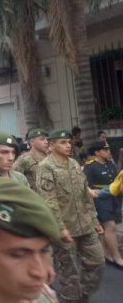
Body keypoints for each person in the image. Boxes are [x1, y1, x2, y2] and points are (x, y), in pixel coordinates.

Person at [36, 129, 105, 303]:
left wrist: (94, 219)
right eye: (63, 142)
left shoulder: (74, 164)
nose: (68, 146)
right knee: (70, 270)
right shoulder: (46, 167)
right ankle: (72, 299)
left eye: (69, 142)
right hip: (65, 227)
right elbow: (49, 201)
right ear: (51, 145)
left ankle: (83, 293)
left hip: (85, 223)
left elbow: (84, 194)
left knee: (98, 262)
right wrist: (60, 228)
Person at [84, 140, 123, 268]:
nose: (108, 152)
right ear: (97, 152)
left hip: (113, 198)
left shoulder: (110, 165)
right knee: (110, 226)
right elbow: (84, 185)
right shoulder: (90, 166)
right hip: (99, 200)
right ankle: (117, 257)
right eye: (105, 150)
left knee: (105, 228)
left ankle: (106, 254)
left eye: (108, 149)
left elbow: (116, 181)